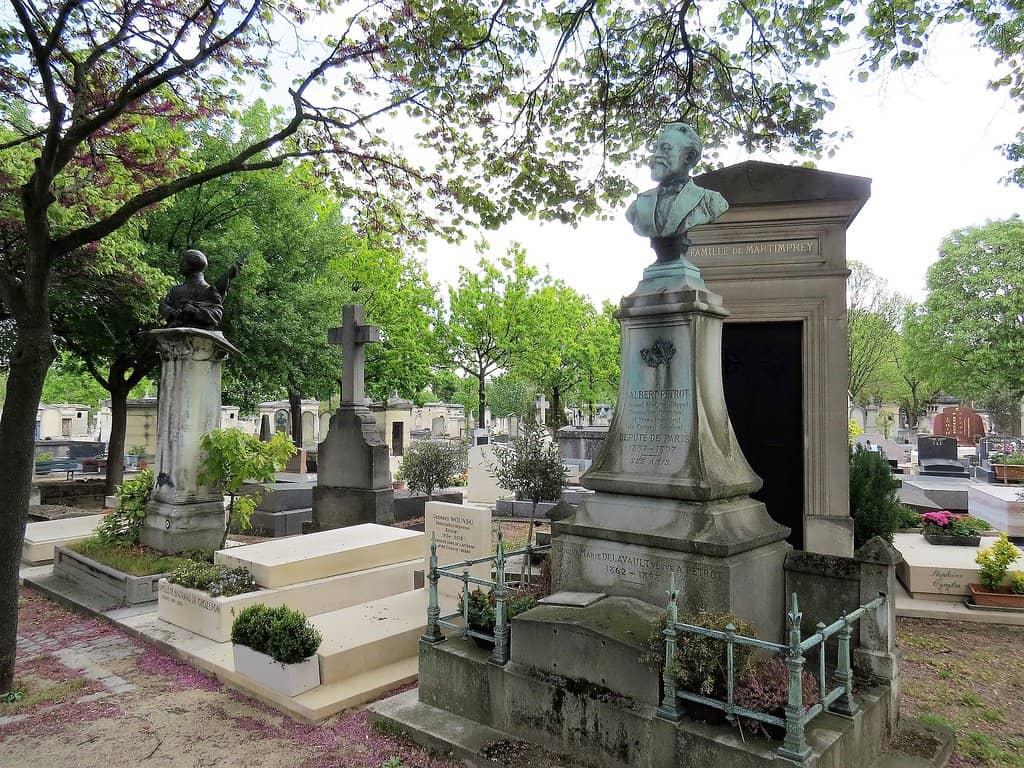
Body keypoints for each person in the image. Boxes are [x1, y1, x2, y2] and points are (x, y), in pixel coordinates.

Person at [625, 123, 728, 248]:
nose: (656, 155)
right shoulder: (638, 206)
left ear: (688, 157)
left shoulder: (710, 201)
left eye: (666, 149)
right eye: (656, 149)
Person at [159, 249, 241, 331]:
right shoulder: (175, 289)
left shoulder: (208, 291)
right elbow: (163, 305)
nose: (180, 264)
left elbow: (216, 314)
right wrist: (173, 312)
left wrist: (195, 311)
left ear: (191, 265)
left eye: (183, 262)